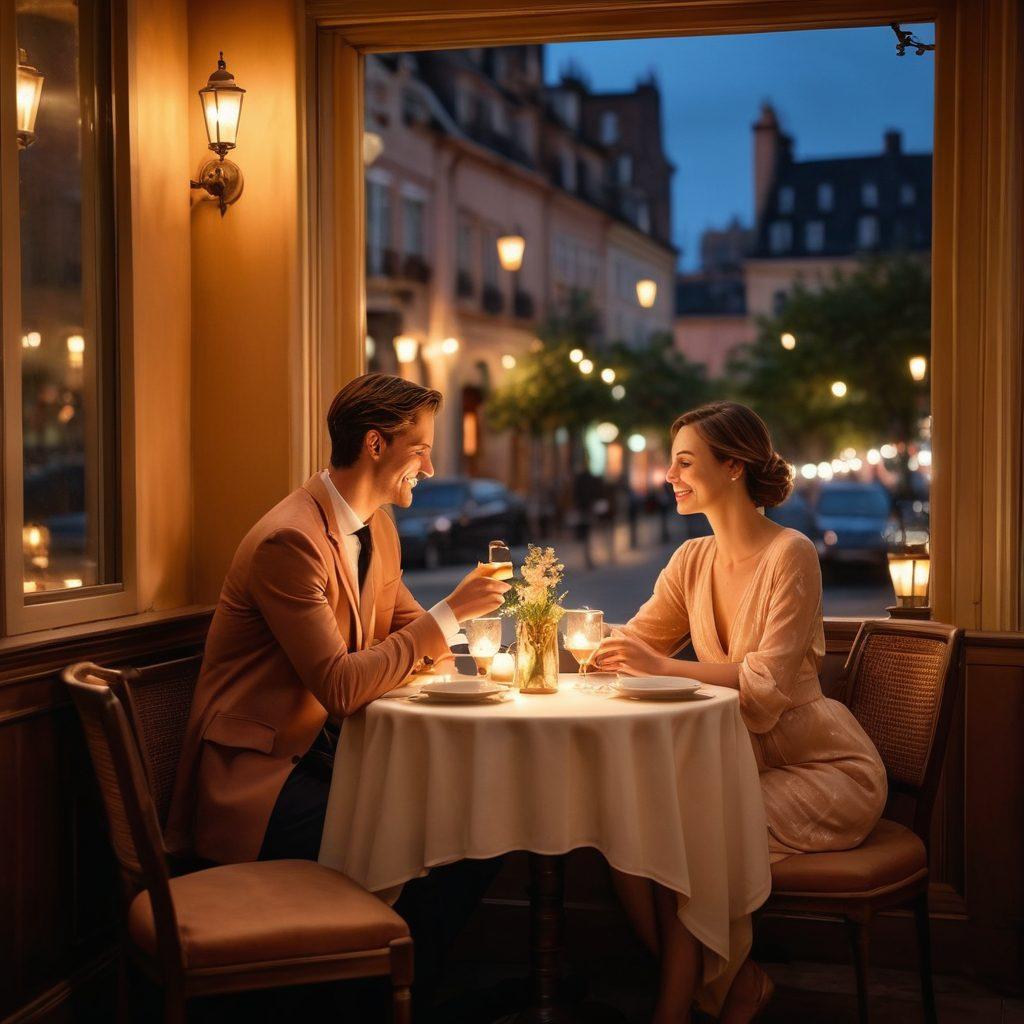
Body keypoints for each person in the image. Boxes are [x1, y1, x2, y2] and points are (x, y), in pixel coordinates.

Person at [166, 373, 510, 1003]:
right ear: (376, 445)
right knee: (450, 837)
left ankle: (394, 992)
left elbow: (409, 634)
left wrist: (466, 648)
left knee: (481, 824)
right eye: (421, 449)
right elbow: (345, 688)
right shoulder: (290, 540)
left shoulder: (375, 529)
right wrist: (453, 614)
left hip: (328, 761)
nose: (431, 467)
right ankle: (392, 997)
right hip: (263, 782)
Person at [594, 401, 887, 1024]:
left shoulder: (792, 553)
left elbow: (762, 686)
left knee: (692, 836)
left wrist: (663, 666)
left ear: (732, 466)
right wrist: (574, 640)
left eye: (684, 462)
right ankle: (740, 983)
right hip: (740, 767)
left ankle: (671, 1013)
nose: (668, 475)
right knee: (623, 834)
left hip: (826, 772)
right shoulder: (691, 560)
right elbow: (637, 641)